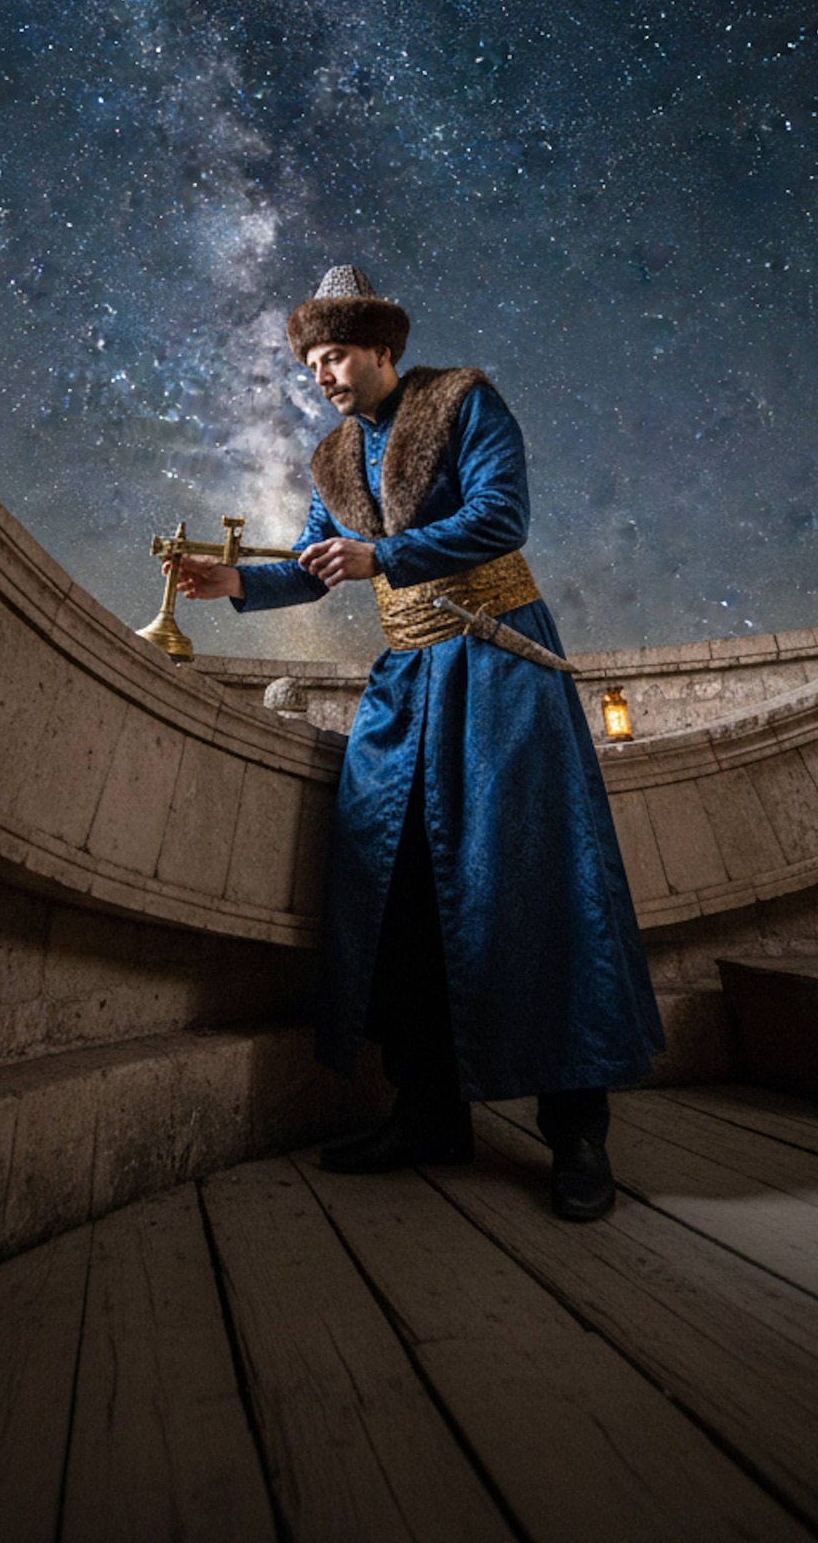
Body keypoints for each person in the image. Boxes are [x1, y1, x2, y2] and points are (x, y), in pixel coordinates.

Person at [174, 265, 663, 1219]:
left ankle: (577, 1135)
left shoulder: (464, 402)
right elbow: (318, 571)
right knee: (396, 887)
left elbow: (499, 518)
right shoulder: (330, 461)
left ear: (381, 351)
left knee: (532, 877)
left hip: (500, 665)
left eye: (337, 354)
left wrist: (384, 556)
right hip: (408, 683)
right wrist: (234, 587)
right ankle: (428, 1111)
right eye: (312, 359)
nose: (322, 372)